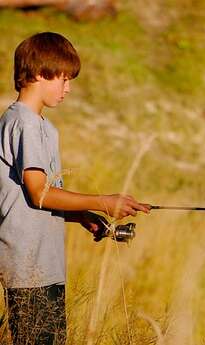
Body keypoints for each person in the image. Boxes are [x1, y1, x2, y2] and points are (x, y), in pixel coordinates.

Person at [0, 32, 150, 344]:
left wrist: (83, 214)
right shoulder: (23, 123)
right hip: (29, 268)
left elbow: (34, 198)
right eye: (64, 79)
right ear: (40, 73)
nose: (68, 89)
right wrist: (104, 201)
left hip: (47, 264)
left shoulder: (43, 126)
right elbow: (38, 193)